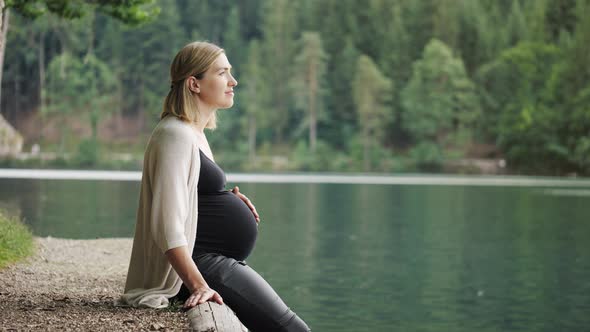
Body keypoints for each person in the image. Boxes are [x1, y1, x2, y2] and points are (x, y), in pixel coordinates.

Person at [120, 41, 311, 332]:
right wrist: (199, 285)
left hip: (213, 260)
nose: (233, 82)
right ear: (194, 84)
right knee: (291, 329)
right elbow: (166, 224)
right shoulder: (175, 134)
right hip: (199, 266)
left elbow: (189, 197)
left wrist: (223, 199)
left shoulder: (192, 132)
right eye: (222, 73)